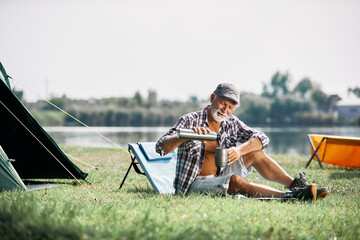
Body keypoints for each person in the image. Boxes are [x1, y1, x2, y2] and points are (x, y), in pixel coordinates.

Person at [156, 83, 329, 200]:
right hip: (192, 184)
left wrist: (240, 150)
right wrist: (184, 136)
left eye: (231, 107)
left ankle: (296, 186)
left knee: (254, 151)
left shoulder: (231, 122)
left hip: (219, 173)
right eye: (223, 104)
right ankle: (289, 197)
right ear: (212, 98)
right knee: (235, 180)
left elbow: (262, 138)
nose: (226, 110)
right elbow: (161, 147)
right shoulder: (190, 120)